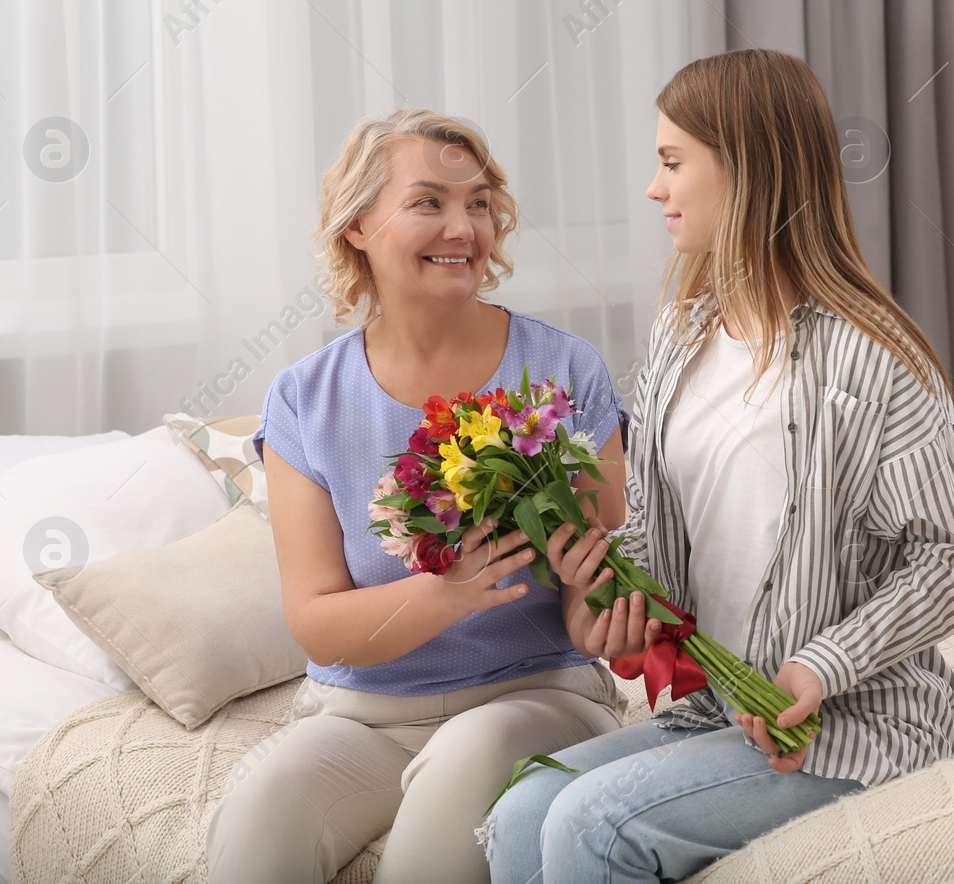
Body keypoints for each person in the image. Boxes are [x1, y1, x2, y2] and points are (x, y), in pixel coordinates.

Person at [482, 49, 954, 883]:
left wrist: (820, 665)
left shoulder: (873, 358)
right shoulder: (680, 337)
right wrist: (612, 595)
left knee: (592, 821)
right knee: (518, 813)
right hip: (713, 711)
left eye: (672, 162)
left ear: (749, 169)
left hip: (852, 723)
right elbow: (651, 530)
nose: (656, 189)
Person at [205, 108, 640, 884]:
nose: (463, 226)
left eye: (478, 203)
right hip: (363, 715)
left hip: (536, 693)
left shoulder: (565, 370)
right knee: (261, 807)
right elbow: (318, 625)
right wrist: (450, 593)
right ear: (359, 226)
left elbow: (605, 588)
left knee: (466, 759)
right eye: (429, 201)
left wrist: (596, 593)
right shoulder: (306, 398)